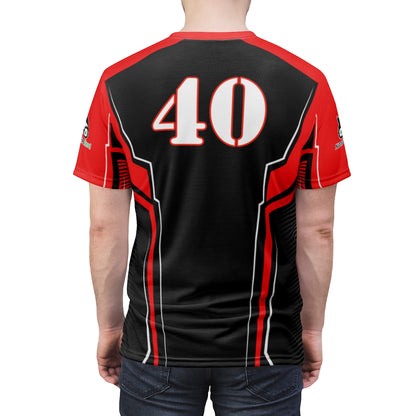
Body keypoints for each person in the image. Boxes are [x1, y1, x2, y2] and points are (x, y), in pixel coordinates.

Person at [73, 0, 350, 414]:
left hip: (155, 343)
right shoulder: (306, 83)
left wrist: (110, 326)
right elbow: (318, 230)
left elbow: (104, 228)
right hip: (266, 345)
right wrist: (311, 330)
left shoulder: (119, 82)